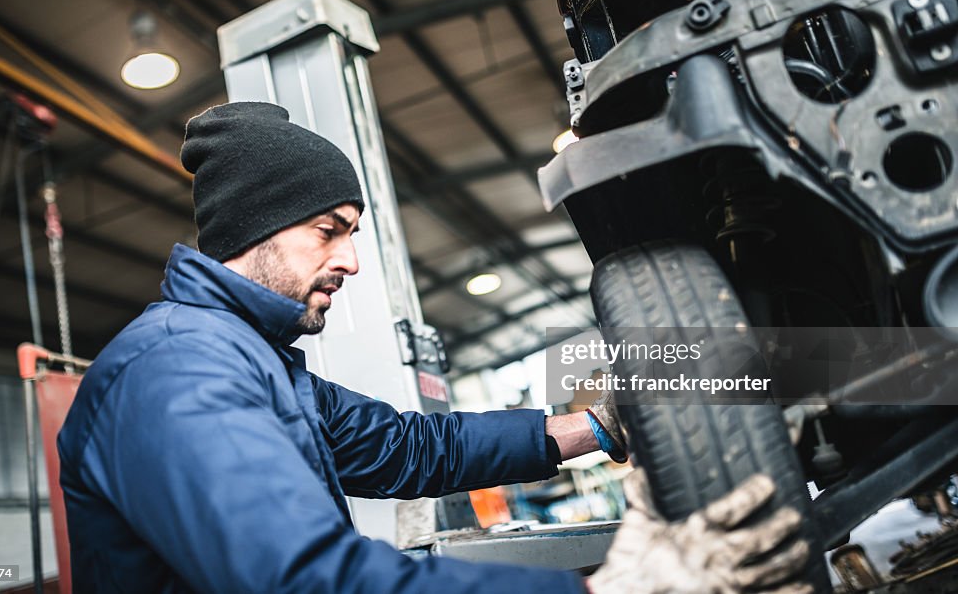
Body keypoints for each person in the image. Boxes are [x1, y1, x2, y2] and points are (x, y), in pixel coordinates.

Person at [58, 101, 813, 593]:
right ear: (252, 227)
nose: (351, 260)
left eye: (353, 232)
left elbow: (412, 448)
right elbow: (303, 580)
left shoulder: (258, 361)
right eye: (330, 229)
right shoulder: (175, 369)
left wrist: (598, 425)